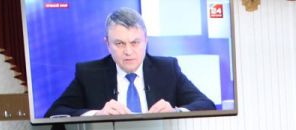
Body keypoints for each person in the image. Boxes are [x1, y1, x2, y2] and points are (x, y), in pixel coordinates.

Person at [45, 8, 215, 118]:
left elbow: (206, 105)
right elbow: (54, 113)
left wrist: (175, 112)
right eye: (119, 43)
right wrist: (97, 114)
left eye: (135, 43)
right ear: (107, 44)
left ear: (146, 41)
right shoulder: (89, 74)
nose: (128, 51)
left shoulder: (167, 69)